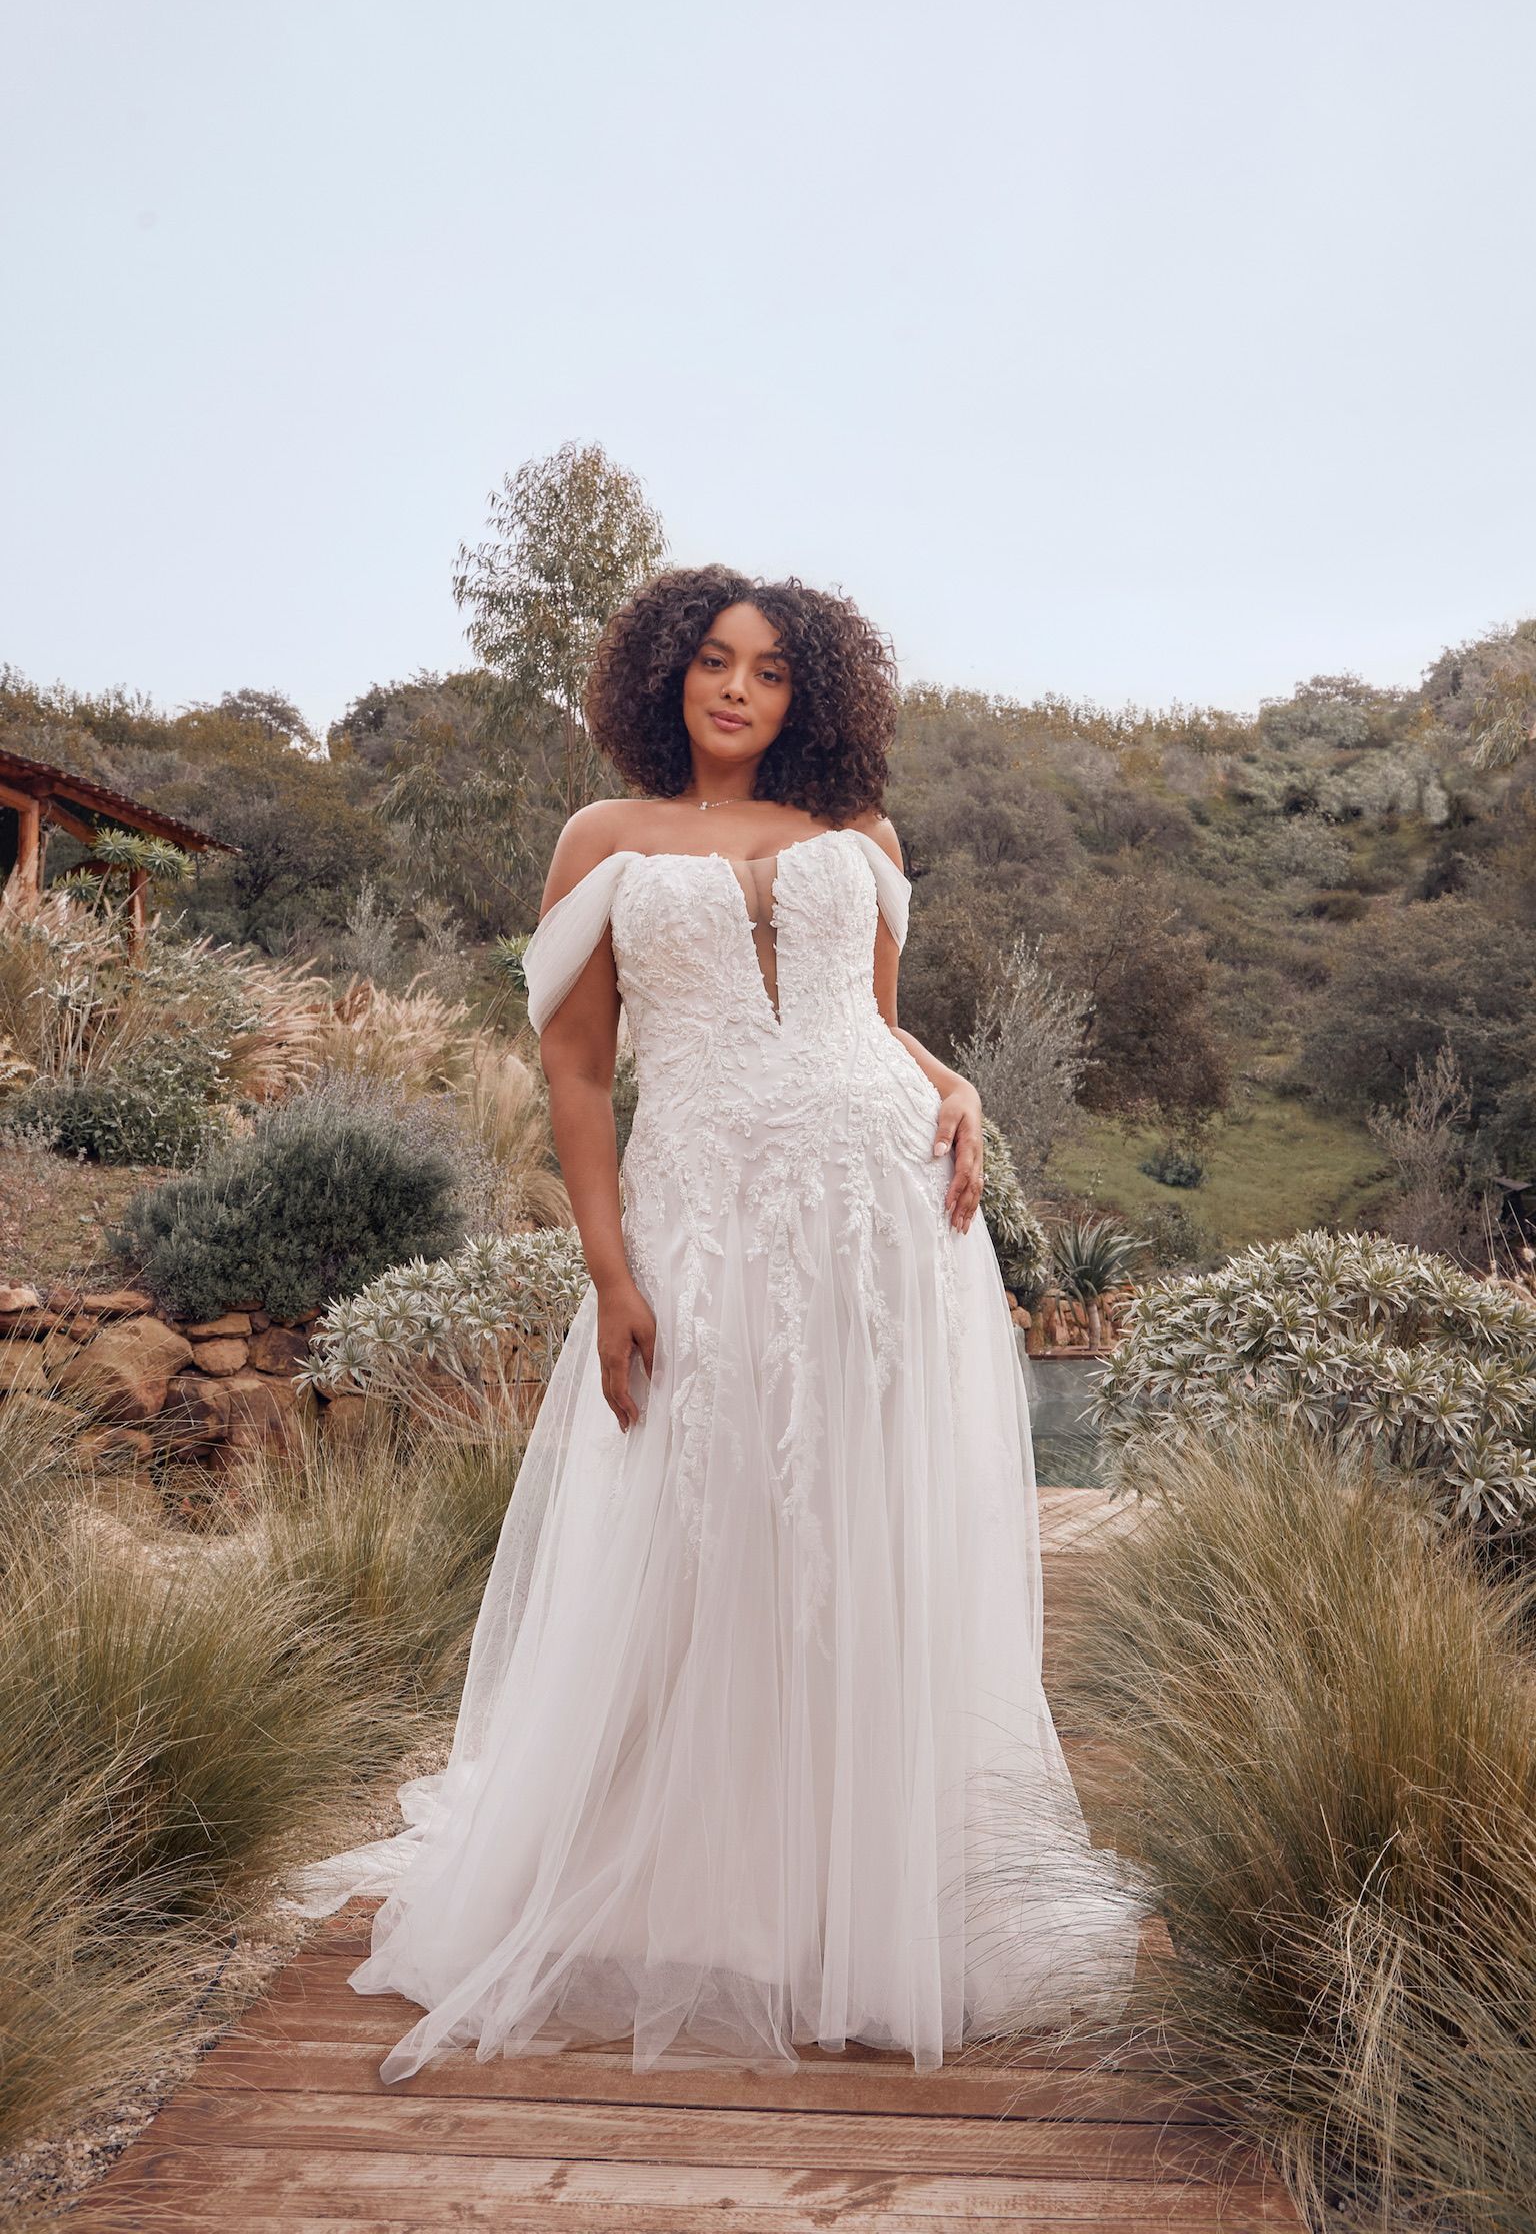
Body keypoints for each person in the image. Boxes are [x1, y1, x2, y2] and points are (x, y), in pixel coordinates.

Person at [284, 565, 1142, 2078]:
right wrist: (613, 1275)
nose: (738, 690)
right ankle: (717, 1896)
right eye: (712, 663)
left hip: (883, 1218)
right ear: (665, 679)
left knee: (866, 1528)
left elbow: (871, 1023)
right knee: (711, 1517)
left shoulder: (859, 838)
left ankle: (875, 1902)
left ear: (810, 692)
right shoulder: (602, 842)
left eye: (768, 671)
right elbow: (575, 1076)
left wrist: (960, 1084)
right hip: (704, 1223)